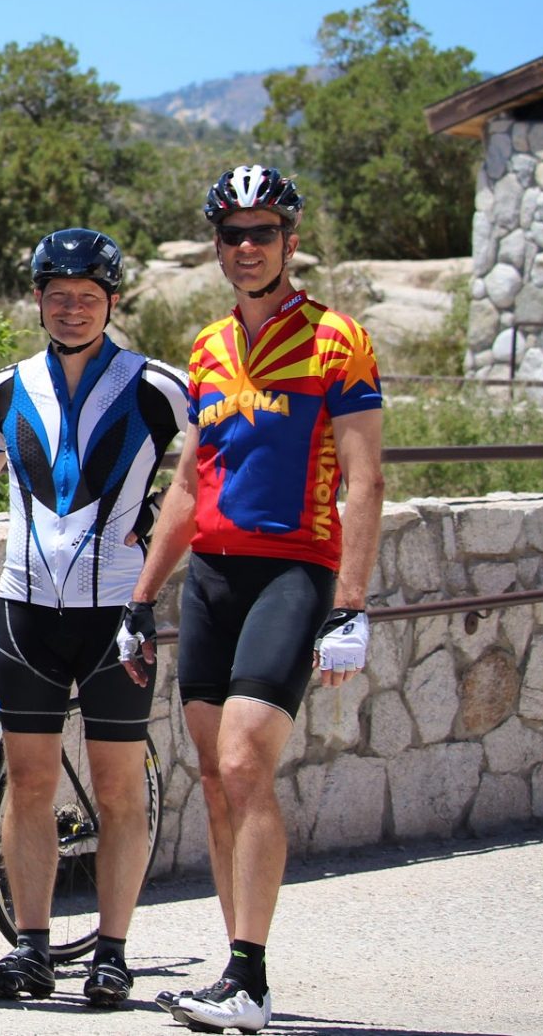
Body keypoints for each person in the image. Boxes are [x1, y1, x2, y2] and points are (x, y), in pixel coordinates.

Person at [121, 166, 383, 1034]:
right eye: (231, 234)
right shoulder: (206, 347)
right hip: (213, 580)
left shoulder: (338, 339)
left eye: (261, 232)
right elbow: (191, 483)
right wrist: (142, 595)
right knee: (216, 779)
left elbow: (367, 477)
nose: (245, 247)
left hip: (293, 572)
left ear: (290, 239)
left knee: (243, 766)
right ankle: (236, 974)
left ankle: (251, 979)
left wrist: (349, 604)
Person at [0, 229, 186, 1007]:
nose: (71, 308)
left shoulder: (158, 385)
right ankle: (31, 947)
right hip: (27, 610)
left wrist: (163, 520)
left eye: (87, 296)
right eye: (57, 295)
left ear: (112, 301)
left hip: (118, 613)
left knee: (120, 789)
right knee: (28, 785)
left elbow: (214, 469)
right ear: (37, 299)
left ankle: (113, 951)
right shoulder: (4, 388)